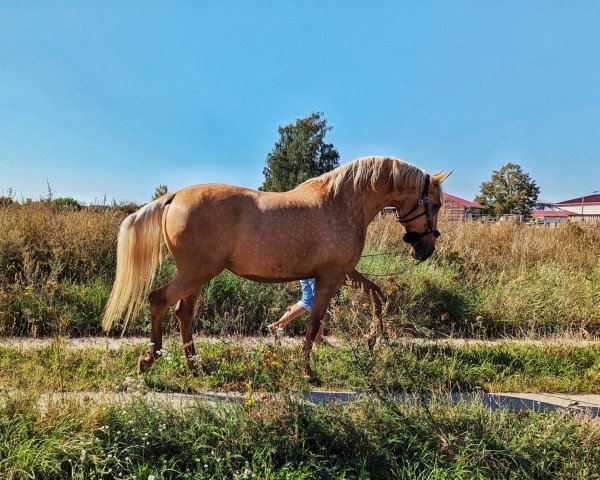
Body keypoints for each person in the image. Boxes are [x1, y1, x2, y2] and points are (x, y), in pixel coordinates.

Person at [268, 278, 324, 344]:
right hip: (315, 270)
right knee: (320, 300)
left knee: (306, 301)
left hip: (304, 270)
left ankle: (280, 324)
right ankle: (318, 341)